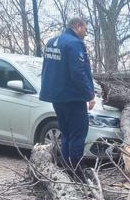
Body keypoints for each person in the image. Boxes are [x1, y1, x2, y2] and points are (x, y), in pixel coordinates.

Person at [40, 17, 96, 170]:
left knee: (66, 133)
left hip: (56, 96)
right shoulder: (74, 44)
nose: (85, 34)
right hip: (73, 97)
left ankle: (66, 168)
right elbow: (78, 72)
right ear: (78, 27)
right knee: (78, 133)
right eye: (85, 29)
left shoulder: (52, 42)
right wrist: (89, 95)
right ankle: (77, 170)